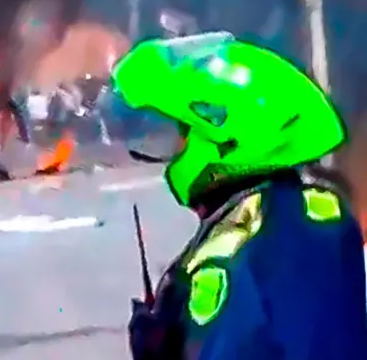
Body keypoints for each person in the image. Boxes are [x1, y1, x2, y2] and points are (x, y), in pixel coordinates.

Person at [115, 31, 367, 360]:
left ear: (225, 140)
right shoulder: (328, 212)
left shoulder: (224, 261)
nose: (175, 151)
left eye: (184, 134)